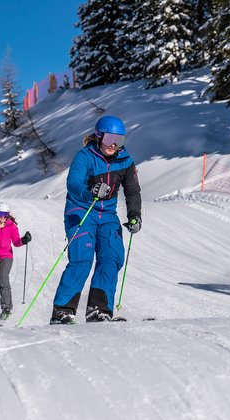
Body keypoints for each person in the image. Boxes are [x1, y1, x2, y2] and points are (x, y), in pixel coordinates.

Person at [49, 115, 142, 324]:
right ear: (99, 137)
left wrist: (135, 216)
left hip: (107, 215)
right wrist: (90, 191)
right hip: (81, 210)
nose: (113, 145)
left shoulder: (125, 160)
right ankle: (62, 312)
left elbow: (132, 191)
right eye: (109, 139)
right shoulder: (85, 156)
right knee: (82, 259)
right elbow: (73, 184)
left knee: (111, 257)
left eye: (119, 140)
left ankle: (98, 310)